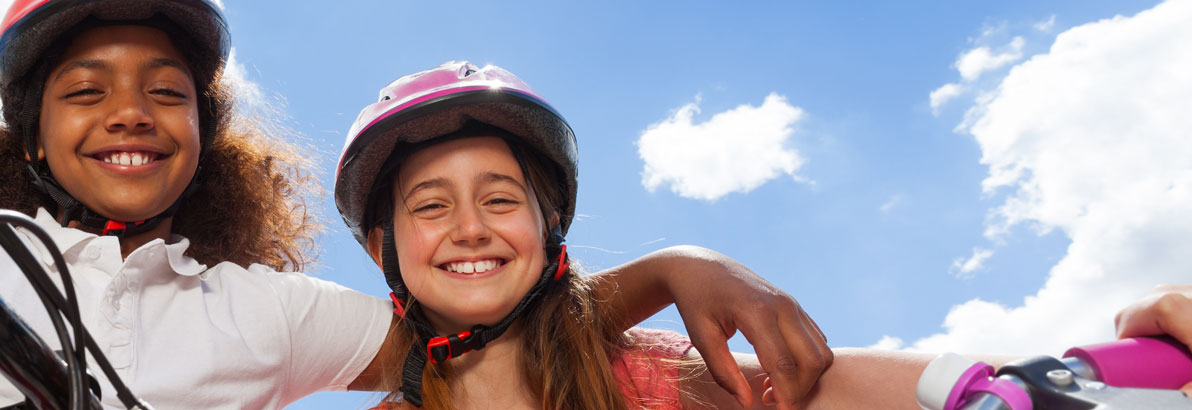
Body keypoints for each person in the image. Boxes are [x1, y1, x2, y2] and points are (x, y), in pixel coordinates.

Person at [0, 1, 830, 408]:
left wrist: (674, 264)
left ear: (207, 140)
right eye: (86, 89)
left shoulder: (265, 309)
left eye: (167, 91)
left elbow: (471, 329)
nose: (130, 110)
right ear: (31, 136)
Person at [335, 61, 1192, 409]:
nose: (471, 228)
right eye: (430, 205)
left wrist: (1041, 383)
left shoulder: (649, 375)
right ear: (386, 250)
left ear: (549, 227)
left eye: (500, 197)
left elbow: (823, 388)